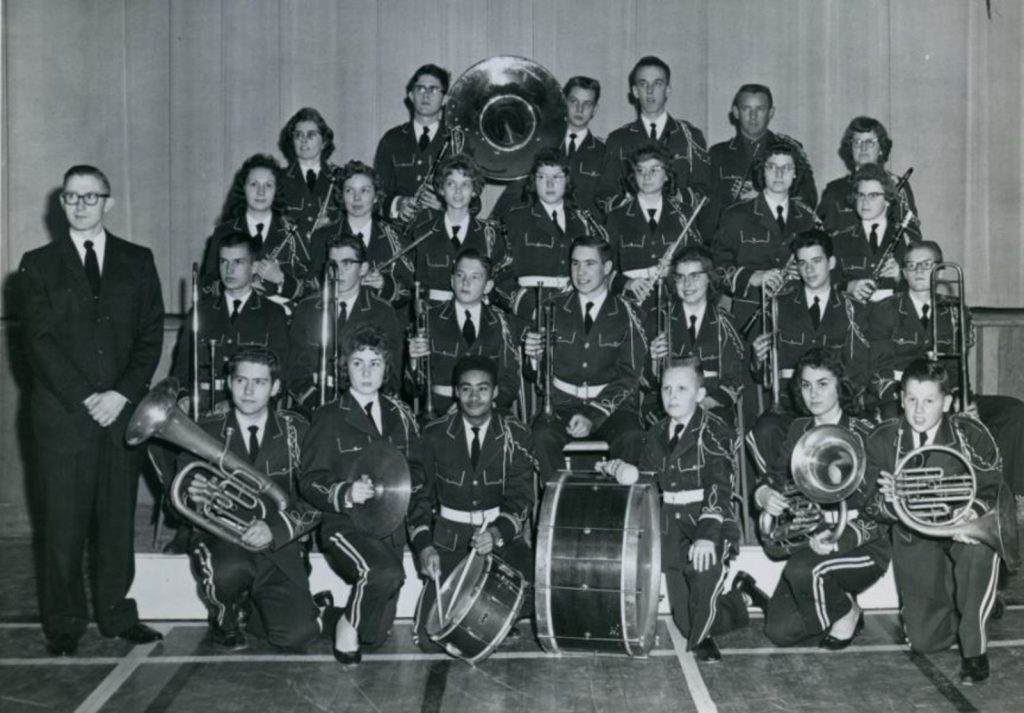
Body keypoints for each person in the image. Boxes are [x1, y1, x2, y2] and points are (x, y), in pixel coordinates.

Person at [18, 164, 165, 655]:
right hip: (64, 418)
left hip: (120, 415)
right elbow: (39, 344)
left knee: (115, 520)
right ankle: (64, 625)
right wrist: (88, 397)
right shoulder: (37, 264)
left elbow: (149, 337)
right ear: (61, 204)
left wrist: (120, 394)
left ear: (109, 202)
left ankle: (116, 615)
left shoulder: (137, 260)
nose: (80, 205)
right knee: (62, 525)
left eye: (89, 197)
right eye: (71, 197)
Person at [601, 357, 754, 661]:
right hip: (670, 527)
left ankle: (704, 639)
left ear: (699, 395)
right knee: (687, 624)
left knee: (702, 575)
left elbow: (720, 486)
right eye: (666, 388)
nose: (672, 396)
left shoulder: (715, 431)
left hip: (708, 521)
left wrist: (708, 535)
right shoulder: (656, 432)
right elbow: (648, 480)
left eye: (682, 389)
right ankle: (744, 596)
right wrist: (622, 470)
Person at [870, 359, 1008, 685]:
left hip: (962, 533)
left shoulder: (970, 433)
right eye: (912, 399)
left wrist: (969, 516)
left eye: (929, 401)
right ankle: (969, 599)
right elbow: (870, 508)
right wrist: (891, 501)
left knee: (978, 551)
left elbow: (993, 487)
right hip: (915, 541)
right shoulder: (882, 439)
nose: (919, 410)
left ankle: (975, 648)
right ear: (900, 398)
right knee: (925, 642)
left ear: (946, 402)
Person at [182, 347, 330, 651]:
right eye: (241, 381)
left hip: (279, 545)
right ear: (228, 383)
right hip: (222, 540)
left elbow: (318, 501)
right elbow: (183, 488)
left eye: (260, 383)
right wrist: (193, 494)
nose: (249, 390)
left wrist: (273, 531)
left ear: (275, 388)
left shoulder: (298, 431)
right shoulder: (205, 430)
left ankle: (253, 609)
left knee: (297, 636)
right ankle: (223, 619)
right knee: (228, 571)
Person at [299, 325, 419, 664]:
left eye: (375, 363)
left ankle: (325, 615)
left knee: (375, 635)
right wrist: (346, 492)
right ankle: (346, 625)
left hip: (389, 527)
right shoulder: (328, 417)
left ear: (387, 369)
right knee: (386, 574)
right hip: (344, 525)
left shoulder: (402, 416)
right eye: (357, 362)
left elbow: (418, 469)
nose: (366, 372)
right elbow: (309, 480)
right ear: (344, 368)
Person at [753, 348, 888, 648]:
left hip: (861, 545)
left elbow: (879, 511)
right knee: (779, 631)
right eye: (805, 384)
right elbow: (775, 474)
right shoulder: (799, 428)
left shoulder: (863, 432)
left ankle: (846, 616)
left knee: (800, 570)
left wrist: (838, 540)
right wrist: (764, 493)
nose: (813, 394)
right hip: (814, 539)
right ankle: (843, 603)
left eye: (823, 384)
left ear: (841, 385)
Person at [867, 241, 1024, 497]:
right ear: (904, 273)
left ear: (939, 271)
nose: (918, 271)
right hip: (903, 399)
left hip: (947, 396)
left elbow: (958, 366)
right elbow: (880, 371)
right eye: (911, 265)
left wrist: (964, 401)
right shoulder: (884, 311)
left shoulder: (955, 310)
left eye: (927, 265)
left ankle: (1005, 496)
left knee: (1014, 411)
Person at [408, 355, 536, 652]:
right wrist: (425, 546)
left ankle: (499, 615)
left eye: (482, 389)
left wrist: (497, 533)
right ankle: (489, 615)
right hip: (452, 541)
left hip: (500, 539)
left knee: (538, 589)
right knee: (429, 639)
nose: (474, 396)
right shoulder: (433, 434)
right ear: (456, 392)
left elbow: (520, 497)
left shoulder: (516, 434)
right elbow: (419, 497)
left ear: (494, 393)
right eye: (466, 389)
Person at [523, 235, 647, 482]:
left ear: (608, 268)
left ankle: (620, 511)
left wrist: (593, 415)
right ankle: (559, 508)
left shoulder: (628, 313)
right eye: (575, 263)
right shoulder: (551, 308)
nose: (580, 272)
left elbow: (630, 376)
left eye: (590, 264)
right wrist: (534, 358)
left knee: (633, 436)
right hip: (561, 406)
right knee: (540, 437)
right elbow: (533, 376)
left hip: (612, 408)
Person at [749, 231, 872, 474]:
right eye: (802, 263)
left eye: (816, 261)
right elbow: (763, 376)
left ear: (831, 263)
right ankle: (782, 495)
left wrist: (838, 403)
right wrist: (758, 357)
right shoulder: (778, 306)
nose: (809, 269)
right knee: (763, 431)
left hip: (840, 405)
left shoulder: (853, 308)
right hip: (790, 404)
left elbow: (861, 367)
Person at [172, 232, 290, 416]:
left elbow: (279, 375)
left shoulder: (273, 314)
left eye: (238, 262)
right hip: (201, 414)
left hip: (250, 412)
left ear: (254, 267)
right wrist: (185, 399)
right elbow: (180, 371)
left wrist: (233, 404)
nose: (229, 270)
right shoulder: (200, 312)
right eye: (223, 262)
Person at [711, 141, 820, 330]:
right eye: (772, 167)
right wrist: (750, 277)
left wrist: (805, 272)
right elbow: (715, 268)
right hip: (749, 316)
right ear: (762, 171)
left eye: (786, 168)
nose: (779, 174)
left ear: (795, 173)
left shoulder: (807, 218)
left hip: (796, 315)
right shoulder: (736, 215)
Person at [407, 250, 527, 417]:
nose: (465, 283)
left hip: (489, 410)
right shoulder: (428, 321)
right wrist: (413, 360)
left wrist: (486, 405)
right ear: (451, 280)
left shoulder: (502, 323)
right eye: (460, 275)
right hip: (439, 411)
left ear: (488, 286)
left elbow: (509, 382)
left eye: (475, 277)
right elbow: (412, 388)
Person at [287, 236, 403, 408]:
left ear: (363, 268)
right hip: (314, 406)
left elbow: (391, 374)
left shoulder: (382, 312)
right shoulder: (307, 308)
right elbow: (294, 370)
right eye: (333, 264)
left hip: (364, 407)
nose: (338, 271)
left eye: (347, 263)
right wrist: (316, 403)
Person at [500, 148, 608, 322]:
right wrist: (530, 309)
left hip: (573, 312)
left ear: (567, 180)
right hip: (529, 315)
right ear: (534, 181)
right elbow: (500, 274)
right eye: (542, 177)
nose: (550, 184)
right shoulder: (515, 219)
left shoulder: (582, 221)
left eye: (557, 177)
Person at [643, 246, 745, 425]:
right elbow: (647, 384)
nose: (687, 284)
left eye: (695, 276)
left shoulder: (724, 322)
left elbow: (734, 380)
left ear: (709, 279)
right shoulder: (659, 320)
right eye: (680, 278)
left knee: (716, 424)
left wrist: (705, 404)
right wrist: (653, 360)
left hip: (710, 403)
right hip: (667, 403)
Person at [200, 154, 316, 309]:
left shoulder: (293, 232)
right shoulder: (224, 232)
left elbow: (312, 288)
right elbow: (207, 288)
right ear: (243, 188)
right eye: (253, 184)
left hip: (282, 323)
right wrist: (239, 285)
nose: (261, 192)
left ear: (277, 190)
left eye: (268, 185)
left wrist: (281, 279)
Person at [598, 56, 711, 209]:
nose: (650, 91)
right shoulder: (618, 139)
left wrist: (677, 196)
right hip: (633, 228)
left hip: (678, 228)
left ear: (668, 90)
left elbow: (705, 191)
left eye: (658, 84)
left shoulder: (690, 136)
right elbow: (604, 193)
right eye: (643, 84)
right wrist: (627, 205)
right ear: (635, 91)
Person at [605, 143, 707, 308]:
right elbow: (602, 267)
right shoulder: (616, 217)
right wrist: (626, 283)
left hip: (676, 304)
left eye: (654, 170)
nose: (646, 176)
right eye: (640, 170)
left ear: (667, 175)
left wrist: (675, 268)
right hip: (631, 307)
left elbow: (702, 263)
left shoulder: (685, 214)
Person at [492, 76, 607, 219]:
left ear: (595, 109)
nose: (579, 109)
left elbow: (608, 205)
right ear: (564, 102)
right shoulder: (537, 145)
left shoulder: (605, 154)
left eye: (587, 104)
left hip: (582, 235)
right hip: (538, 233)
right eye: (573, 101)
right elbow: (515, 192)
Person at [408, 154, 511, 306]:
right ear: (441, 189)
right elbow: (418, 286)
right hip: (435, 317)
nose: (458, 191)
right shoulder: (423, 232)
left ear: (474, 191)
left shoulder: (490, 234)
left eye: (465, 185)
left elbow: (501, 283)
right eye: (451, 184)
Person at [708, 84, 817, 227]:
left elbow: (808, 201)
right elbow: (709, 211)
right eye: (746, 108)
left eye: (760, 109)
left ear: (771, 112)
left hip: (777, 238)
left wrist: (766, 198)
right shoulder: (718, 154)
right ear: (735, 112)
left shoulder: (791, 150)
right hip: (731, 238)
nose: (753, 116)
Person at [310, 160, 414, 307]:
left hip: (382, 324)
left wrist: (384, 284)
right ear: (341, 196)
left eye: (364, 190)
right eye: (349, 190)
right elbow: (310, 285)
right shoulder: (322, 236)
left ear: (376, 196)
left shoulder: (396, 237)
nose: (356, 198)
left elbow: (410, 288)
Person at [830, 163, 923, 304]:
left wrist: (900, 276)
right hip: (853, 322)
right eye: (861, 195)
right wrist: (848, 287)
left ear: (887, 199)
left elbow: (922, 290)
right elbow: (824, 287)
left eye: (873, 195)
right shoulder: (838, 241)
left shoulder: (907, 240)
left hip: (894, 321)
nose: (865, 202)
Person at [373, 64, 452, 224]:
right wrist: (397, 204)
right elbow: (376, 194)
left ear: (445, 99)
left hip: (442, 237)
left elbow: (474, 202)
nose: (426, 95)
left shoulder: (457, 141)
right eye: (420, 88)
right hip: (397, 237)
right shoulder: (391, 140)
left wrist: (447, 204)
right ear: (411, 95)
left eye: (434, 89)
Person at [817, 116, 918, 235]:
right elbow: (820, 237)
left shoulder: (897, 186)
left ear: (881, 149)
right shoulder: (834, 190)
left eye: (870, 142)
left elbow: (912, 234)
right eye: (857, 142)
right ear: (851, 149)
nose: (863, 148)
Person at [277, 107, 342, 240]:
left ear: (324, 142)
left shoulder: (341, 178)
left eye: (311, 135)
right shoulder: (277, 179)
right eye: (298, 135)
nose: (304, 140)